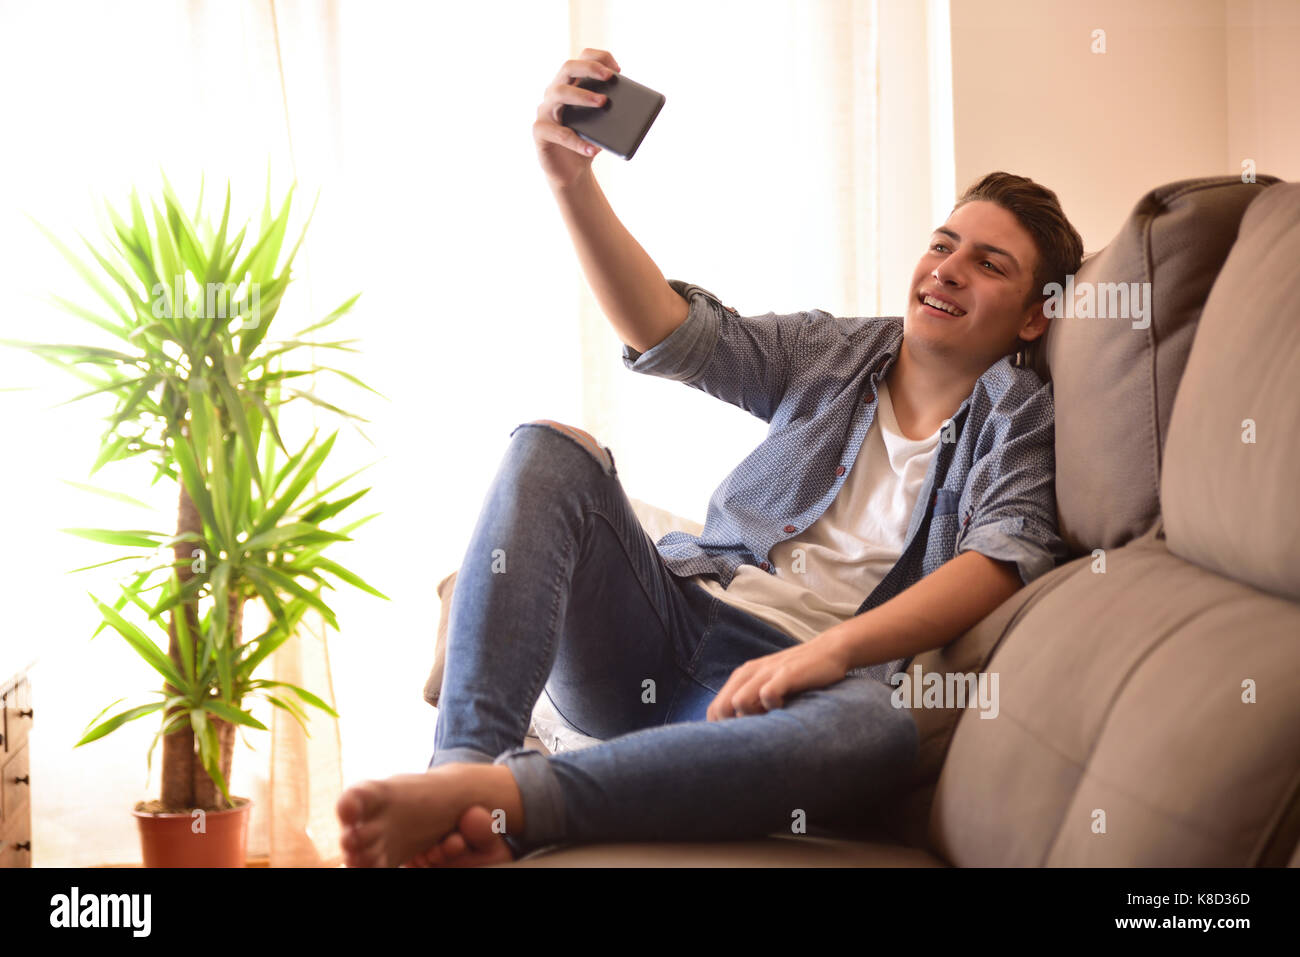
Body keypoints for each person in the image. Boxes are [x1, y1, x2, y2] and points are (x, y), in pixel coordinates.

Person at [336, 48, 1083, 868]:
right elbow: (666, 329)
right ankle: (464, 772)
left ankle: (512, 810)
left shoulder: (1019, 414)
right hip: (664, 627)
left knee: (875, 728)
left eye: (989, 263)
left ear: (1034, 316)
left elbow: (1000, 558)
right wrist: (570, 182)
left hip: (792, 696)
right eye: (944, 243)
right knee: (548, 448)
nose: (947, 269)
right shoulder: (828, 352)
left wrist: (832, 649)